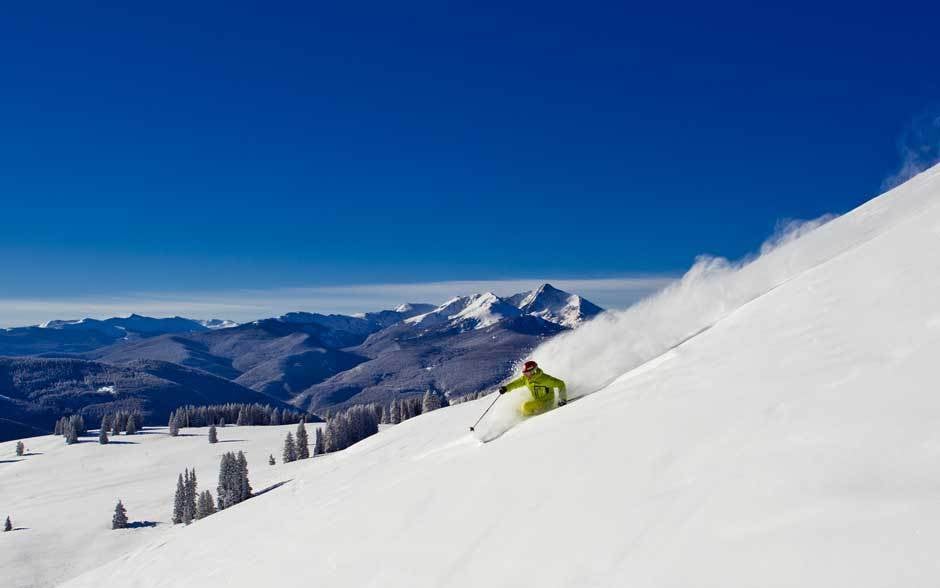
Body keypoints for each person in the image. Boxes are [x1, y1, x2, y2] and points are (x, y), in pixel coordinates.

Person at [499, 360, 567, 416]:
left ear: (533, 371)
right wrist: (506, 388)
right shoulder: (526, 379)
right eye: (524, 373)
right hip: (537, 401)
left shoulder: (544, 379)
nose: (525, 375)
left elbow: (560, 384)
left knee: (525, 406)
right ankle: (525, 415)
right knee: (517, 409)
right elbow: (516, 384)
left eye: (527, 373)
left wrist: (562, 399)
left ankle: (530, 419)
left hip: (547, 403)